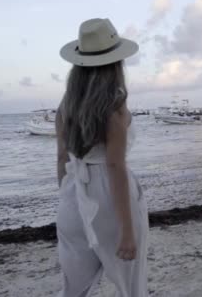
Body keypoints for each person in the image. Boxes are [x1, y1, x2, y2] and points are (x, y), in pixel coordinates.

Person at [55, 18, 148, 296]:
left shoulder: (65, 106)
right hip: (111, 199)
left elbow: (61, 158)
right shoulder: (114, 107)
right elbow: (115, 166)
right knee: (131, 287)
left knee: (74, 288)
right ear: (116, 62)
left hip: (73, 194)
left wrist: (67, 197)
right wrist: (127, 232)